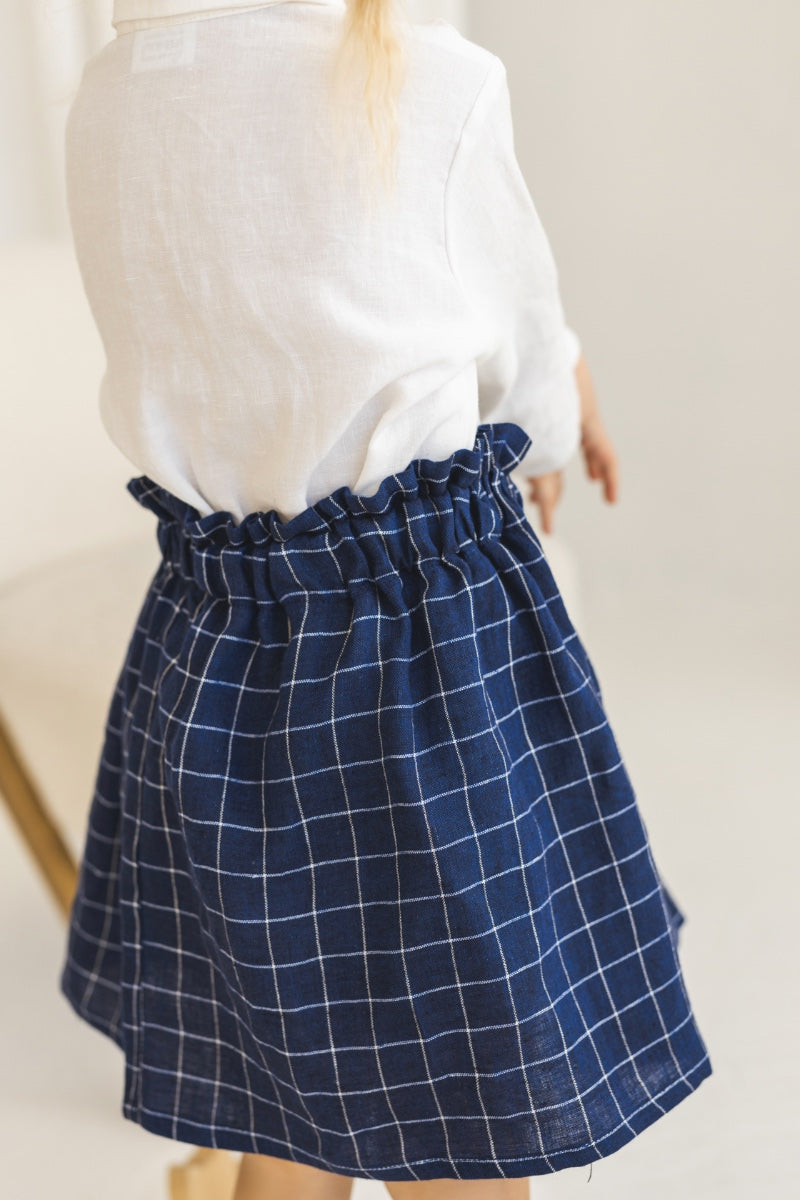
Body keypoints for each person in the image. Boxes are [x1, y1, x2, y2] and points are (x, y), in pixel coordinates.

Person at [58, 3, 712, 1198]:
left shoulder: (112, 90)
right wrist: (557, 419)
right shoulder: (429, 82)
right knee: (462, 1107)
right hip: (419, 653)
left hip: (213, 651)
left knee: (283, 1067)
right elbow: (518, 355)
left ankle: (227, 1176)